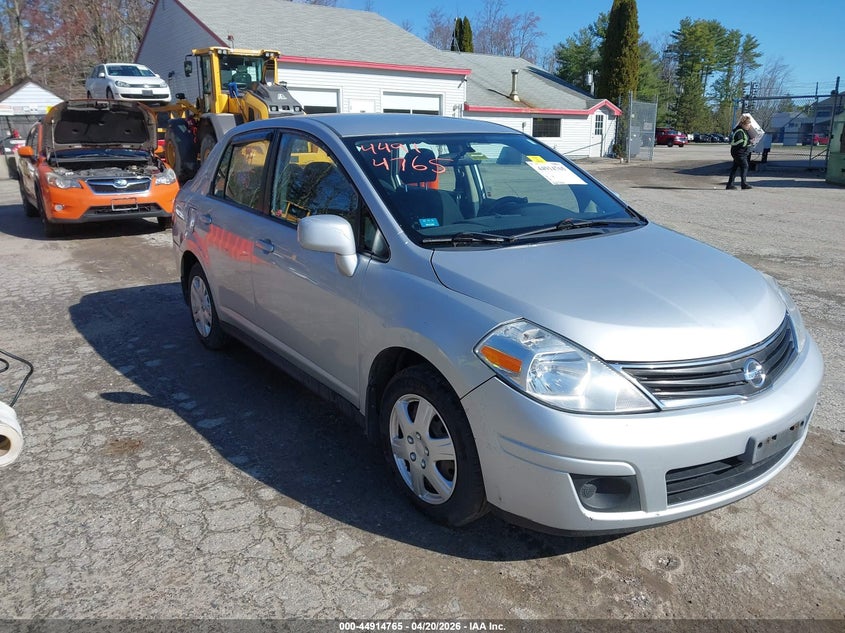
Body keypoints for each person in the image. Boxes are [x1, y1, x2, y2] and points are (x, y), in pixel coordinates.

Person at [727, 114, 753, 190]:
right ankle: (743, 184)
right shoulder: (740, 131)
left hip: (739, 153)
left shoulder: (743, 131)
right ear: (743, 124)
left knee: (735, 168)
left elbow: (744, 141)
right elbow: (741, 142)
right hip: (739, 153)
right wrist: (749, 142)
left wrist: (749, 142)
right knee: (745, 166)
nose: (749, 126)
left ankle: (730, 185)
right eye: (748, 124)